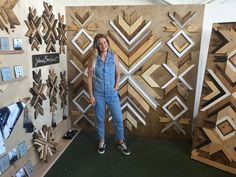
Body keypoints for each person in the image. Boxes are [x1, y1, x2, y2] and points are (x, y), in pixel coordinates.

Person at [87, 33, 130, 156]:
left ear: (108, 43)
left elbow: (118, 73)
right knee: (100, 119)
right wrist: (91, 96)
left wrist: (116, 87)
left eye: (105, 42)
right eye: (100, 44)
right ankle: (102, 141)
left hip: (112, 94)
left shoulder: (114, 57)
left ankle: (120, 141)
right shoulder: (93, 59)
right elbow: (89, 78)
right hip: (98, 94)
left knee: (118, 119)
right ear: (97, 46)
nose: (103, 45)